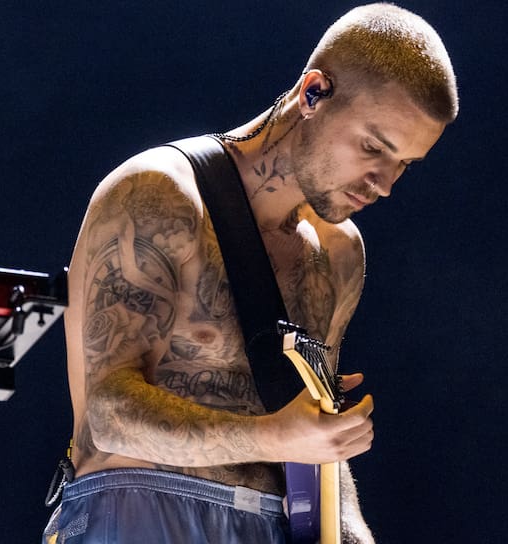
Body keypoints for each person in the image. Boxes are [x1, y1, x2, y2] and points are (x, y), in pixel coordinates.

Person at [43, 3, 458, 543]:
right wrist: (274, 438)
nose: (384, 184)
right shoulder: (157, 196)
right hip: (139, 511)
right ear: (313, 94)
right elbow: (109, 416)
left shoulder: (340, 255)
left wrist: (352, 531)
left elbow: (313, 448)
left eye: (404, 164)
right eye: (373, 148)